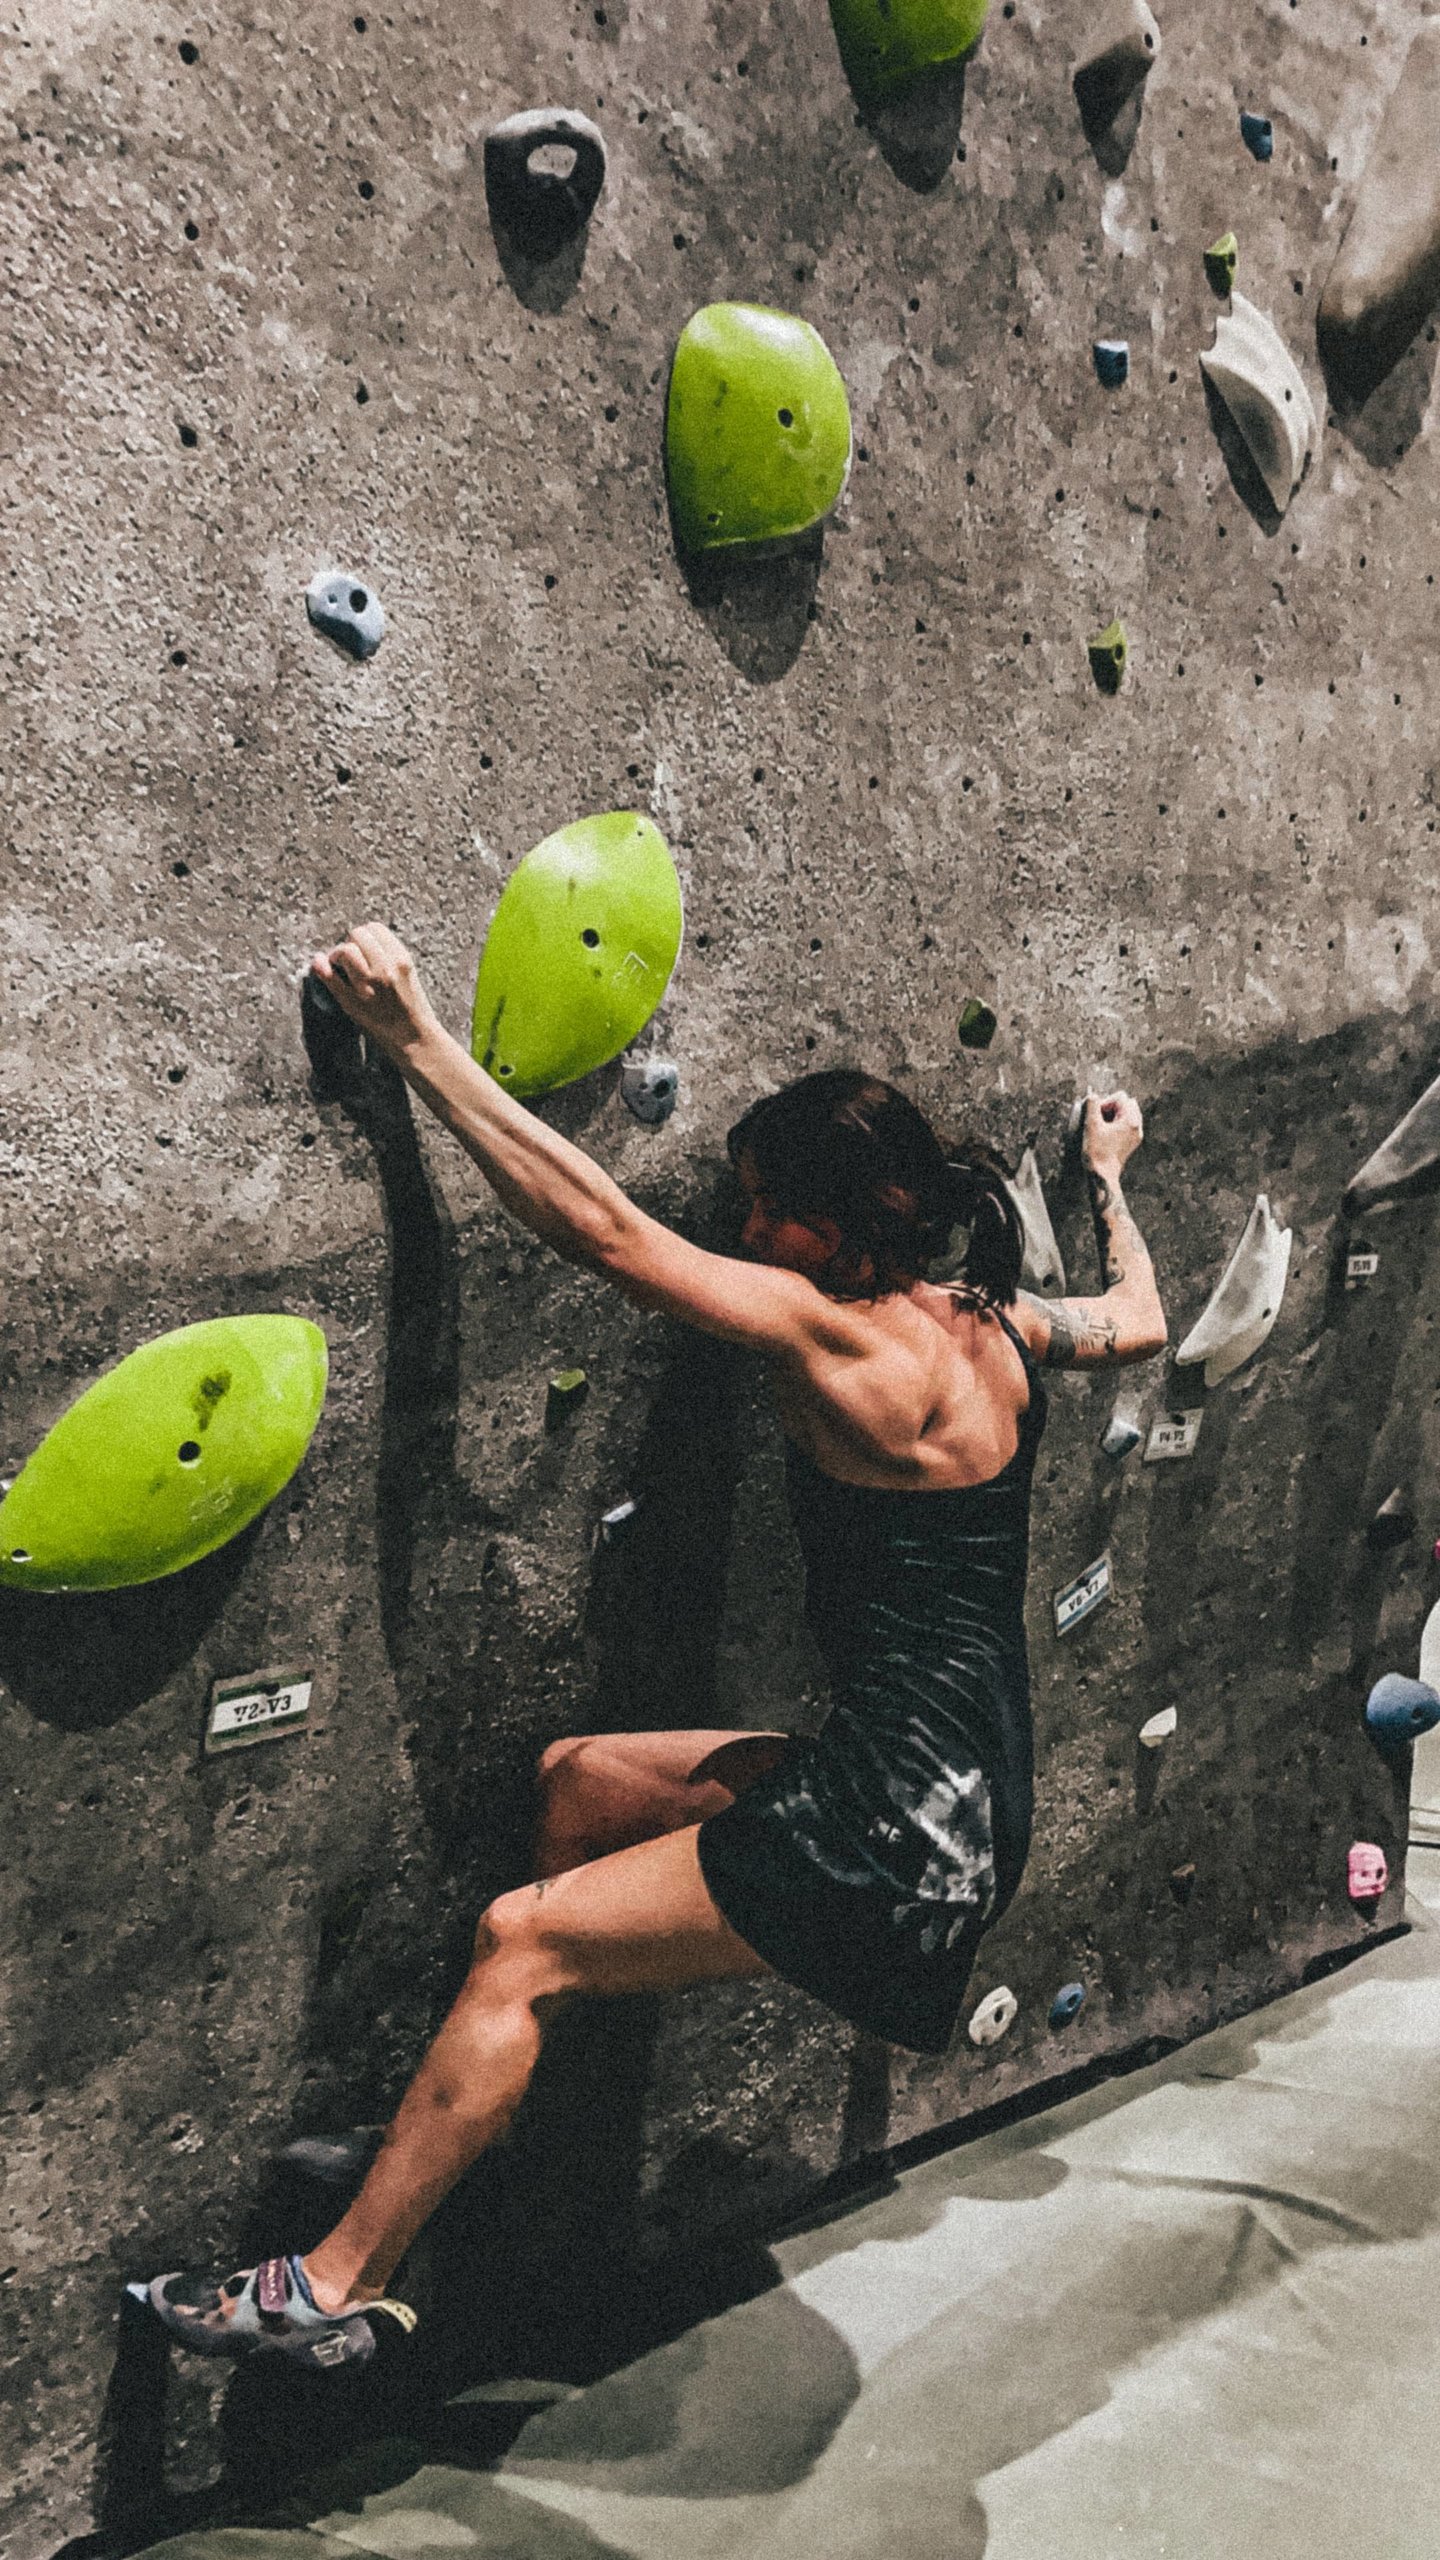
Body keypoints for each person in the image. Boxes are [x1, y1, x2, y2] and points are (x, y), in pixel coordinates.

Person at [130, 923, 1167, 2366]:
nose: (747, 1236)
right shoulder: (992, 1326)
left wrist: (414, 1035)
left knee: (515, 1941)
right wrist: (1108, 1183)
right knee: (579, 1782)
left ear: (834, 1222)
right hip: (969, 1798)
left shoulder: (835, 1337)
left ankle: (333, 2284)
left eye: (763, 1211)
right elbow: (1143, 1317)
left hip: (888, 1830)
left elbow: (607, 1233)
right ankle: (485, 2132)